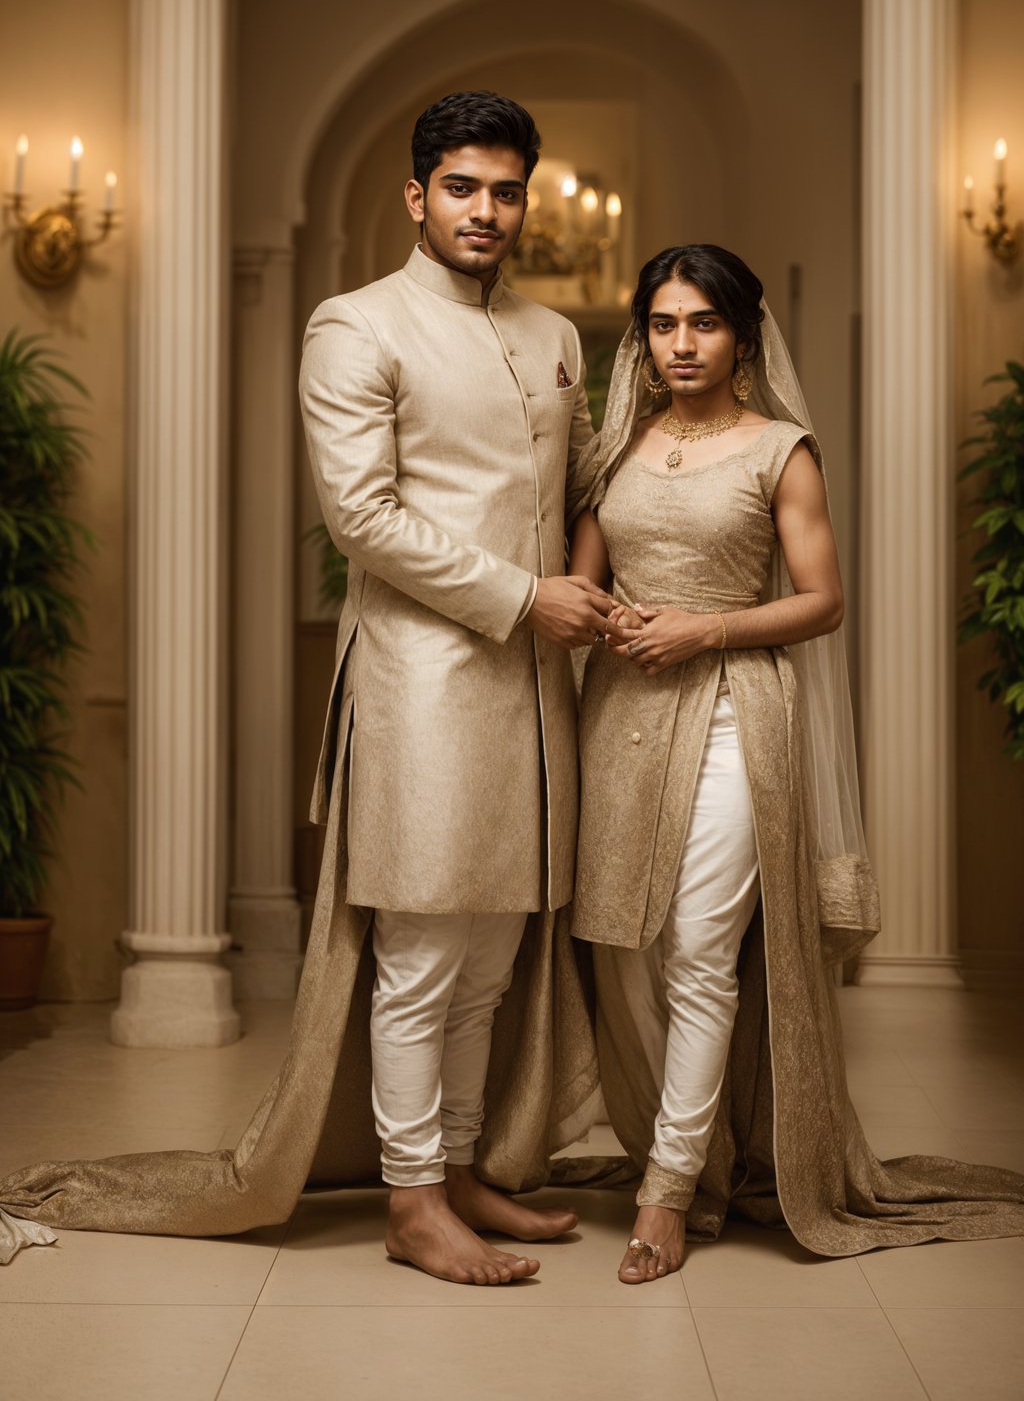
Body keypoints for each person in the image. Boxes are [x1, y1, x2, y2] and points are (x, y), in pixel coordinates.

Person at [0, 92, 610, 1277]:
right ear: (415, 194)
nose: (487, 211)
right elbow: (363, 519)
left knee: (492, 953)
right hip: (424, 682)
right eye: (462, 188)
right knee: (426, 949)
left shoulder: (552, 338)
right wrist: (525, 598)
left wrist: (577, 595)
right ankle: (409, 1199)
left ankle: (468, 1167)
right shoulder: (355, 325)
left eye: (506, 189)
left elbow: (582, 489)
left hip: (543, 693)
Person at [569, 244, 1024, 1284]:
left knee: (696, 948)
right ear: (642, 336)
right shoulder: (616, 449)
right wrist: (611, 622)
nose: (681, 344)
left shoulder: (781, 448)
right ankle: (694, 1144)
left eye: (704, 323)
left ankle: (667, 1192)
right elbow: (580, 591)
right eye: (664, 323)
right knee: (622, 950)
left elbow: (823, 601)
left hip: (738, 709)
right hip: (623, 717)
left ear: (741, 334)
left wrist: (704, 633)